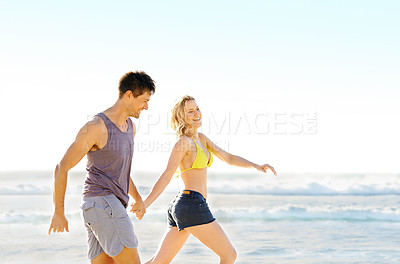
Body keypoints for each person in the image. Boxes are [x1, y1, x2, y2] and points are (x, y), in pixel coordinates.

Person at [133, 95, 277, 264]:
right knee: (229, 255)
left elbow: (228, 158)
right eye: (190, 111)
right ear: (182, 117)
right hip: (191, 204)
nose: (196, 113)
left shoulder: (201, 138)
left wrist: (257, 166)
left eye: (197, 109)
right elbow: (166, 176)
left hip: (186, 206)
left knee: (158, 262)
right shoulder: (183, 143)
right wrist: (145, 204)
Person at [48, 71, 156, 264]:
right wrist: (59, 212)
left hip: (102, 207)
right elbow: (62, 167)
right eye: (144, 100)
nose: (147, 107)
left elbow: (120, 170)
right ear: (129, 95)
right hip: (103, 204)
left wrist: (137, 198)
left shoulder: (130, 126)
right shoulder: (96, 127)